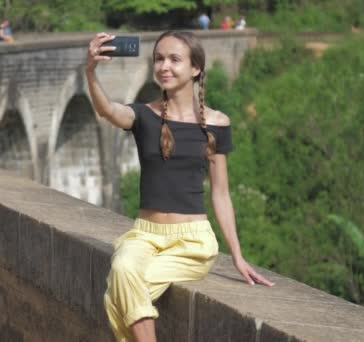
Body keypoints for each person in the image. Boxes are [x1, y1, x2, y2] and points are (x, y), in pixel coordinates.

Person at [86, 31, 274, 341]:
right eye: (159, 59)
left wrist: (237, 256)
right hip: (145, 235)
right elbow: (107, 110)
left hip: (192, 243)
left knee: (119, 291)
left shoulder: (217, 123)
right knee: (122, 271)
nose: (164, 67)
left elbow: (221, 193)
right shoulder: (143, 116)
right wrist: (90, 71)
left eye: (175, 59)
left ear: (196, 68)